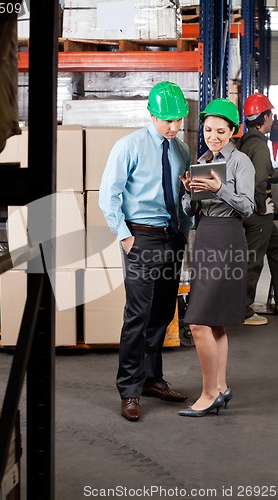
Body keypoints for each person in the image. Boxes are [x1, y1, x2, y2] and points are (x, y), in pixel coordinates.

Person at [99, 81, 193, 422]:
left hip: (171, 239)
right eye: (168, 119)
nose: (174, 126)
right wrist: (126, 238)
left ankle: (153, 379)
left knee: (163, 313)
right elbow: (108, 196)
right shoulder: (129, 147)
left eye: (179, 119)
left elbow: (183, 198)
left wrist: (184, 230)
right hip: (141, 238)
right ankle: (129, 390)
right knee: (138, 316)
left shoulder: (181, 150)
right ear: (151, 114)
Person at [179, 98, 255, 417]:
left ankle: (209, 393)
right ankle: (221, 388)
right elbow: (191, 209)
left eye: (220, 131)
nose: (213, 135)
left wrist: (219, 187)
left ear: (233, 131)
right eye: (208, 130)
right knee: (214, 322)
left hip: (227, 237)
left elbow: (248, 207)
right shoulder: (202, 160)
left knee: (197, 322)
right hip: (206, 234)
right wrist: (188, 193)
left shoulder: (241, 163)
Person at [236, 94, 278, 326]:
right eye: (270, 115)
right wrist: (262, 206)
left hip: (254, 210)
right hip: (257, 213)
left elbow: (267, 173)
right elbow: (260, 180)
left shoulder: (248, 142)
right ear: (264, 117)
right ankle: (243, 310)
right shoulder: (259, 145)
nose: (273, 119)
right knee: (254, 259)